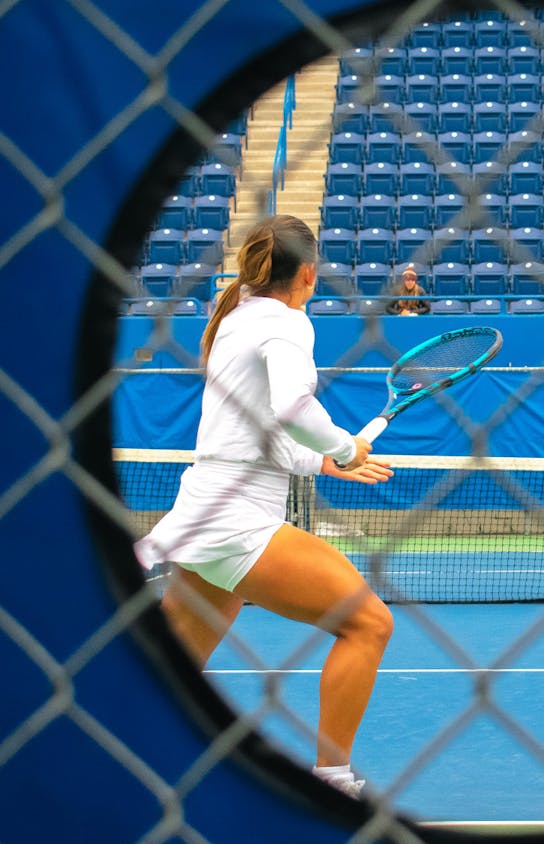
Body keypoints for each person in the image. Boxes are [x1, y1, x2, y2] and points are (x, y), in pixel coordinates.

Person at [135, 214, 394, 799]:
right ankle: (333, 780)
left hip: (206, 506)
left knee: (173, 671)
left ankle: (123, 763)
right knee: (369, 624)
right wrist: (345, 446)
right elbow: (293, 409)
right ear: (308, 273)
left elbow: (260, 430)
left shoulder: (236, 316)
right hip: (237, 521)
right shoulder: (286, 323)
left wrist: (322, 462)